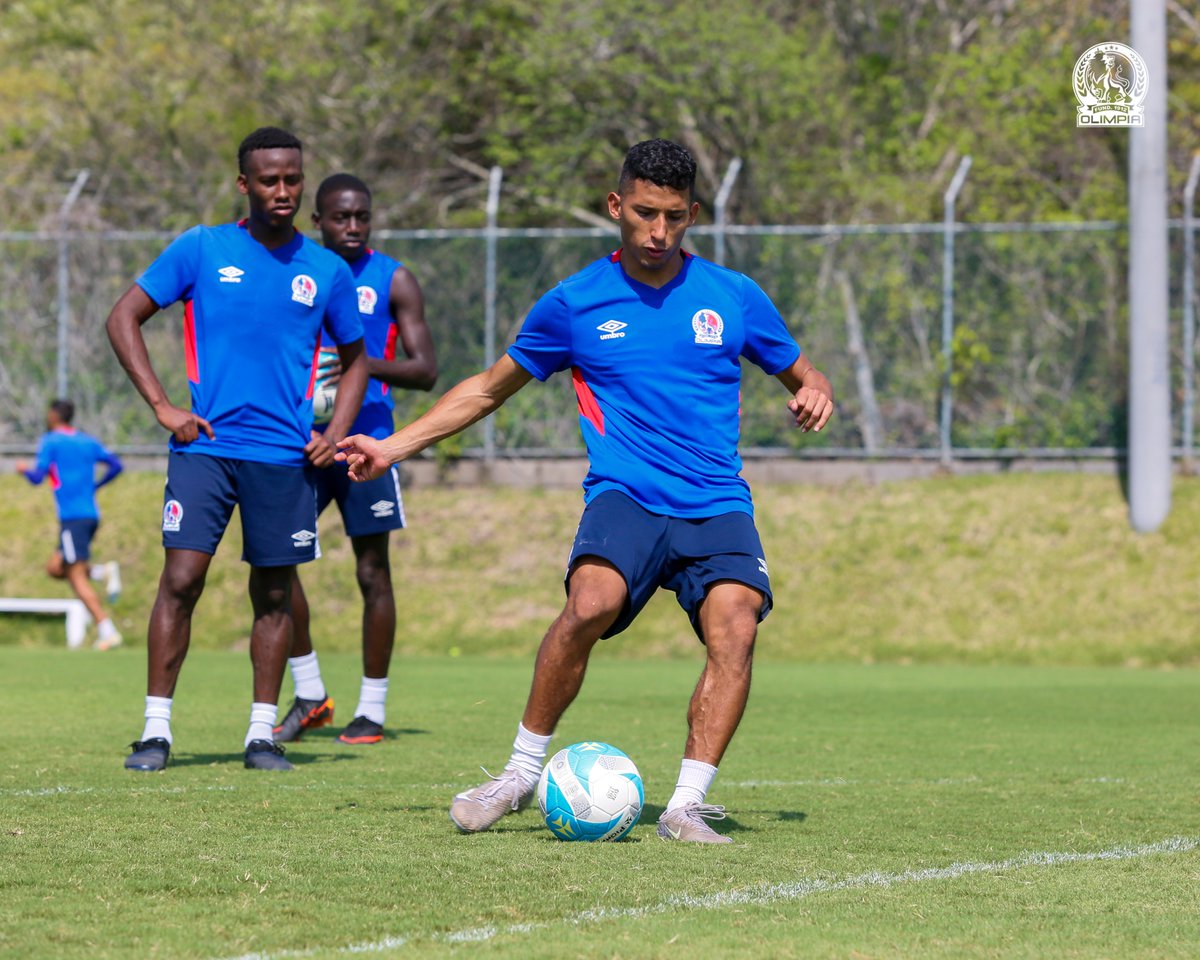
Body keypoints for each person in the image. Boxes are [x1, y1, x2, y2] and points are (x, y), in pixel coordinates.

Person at [337, 139, 834, 843]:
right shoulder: (574, 303)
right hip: (626, 493)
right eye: (642, 214)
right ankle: (517, 773)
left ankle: (686, 806)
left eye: (672, 216)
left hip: (716, 500)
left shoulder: (734, 297)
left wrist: (816, 392)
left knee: (737, 627)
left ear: (692, 213)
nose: (657, 232)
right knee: (589, 604)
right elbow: (486, 390)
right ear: (615, 207)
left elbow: (805, 373)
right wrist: (390, 446)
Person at [105, 126, 367, 773]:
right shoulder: (201, 248)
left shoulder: (326, 270)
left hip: (283, 459)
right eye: (269, 180)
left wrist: (335, 433)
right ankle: (155, 732)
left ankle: (261, 736)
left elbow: (358, 359)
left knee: (274, 594)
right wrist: (164, 407)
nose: (282, 191)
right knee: (181, 581)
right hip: (206, 451)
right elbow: (123, 317)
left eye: (292, 179)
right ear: (243, 184)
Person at [274, 173, 437, 746]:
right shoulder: (293, 272)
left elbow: (426, 370)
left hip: (366, 443)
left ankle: (371, 708)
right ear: (316, 221)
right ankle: (311, 692)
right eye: (340, 217)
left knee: (372, 572)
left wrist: (361, 364)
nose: (352, 226)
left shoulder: (393, 279)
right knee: (275, 565)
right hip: (299, 441)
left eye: (361, 217)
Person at [17, 399, 124, 651]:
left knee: (76, 577)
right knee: (55, 568)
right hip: (89, 515)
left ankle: (107, 629)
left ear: (54, 415)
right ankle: (101, 572)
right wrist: (97, 486)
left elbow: (36, 477)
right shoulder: (87, 441)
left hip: (73, 518)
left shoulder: (51, 441)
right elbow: (117, 465)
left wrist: (23, 469)